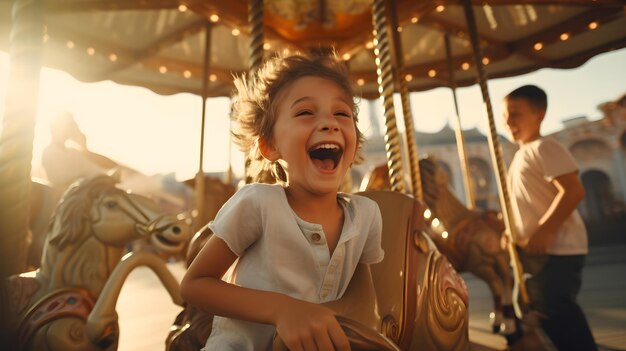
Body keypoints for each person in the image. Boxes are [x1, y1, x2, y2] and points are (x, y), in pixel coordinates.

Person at [180, 53, 384, 351]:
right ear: (270, 145)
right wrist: (282, 309)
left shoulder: (366, 214)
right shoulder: (258, 203)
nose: (329, 123)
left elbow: (366, 299)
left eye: (342, 114)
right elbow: (195, 284)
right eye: (305, 113)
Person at [503, 85, 597, 351]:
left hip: (557, 248)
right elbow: (527, 204)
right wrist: (512, 231)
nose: (508, 122)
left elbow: (573, 190)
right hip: (536, 248)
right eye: (505, 116)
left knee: (556, 310)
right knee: (533, 307)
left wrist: (545, 230)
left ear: (539, 114)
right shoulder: (521, 154)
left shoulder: (545, 147)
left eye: (515, 114)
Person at [41, 111, 118, 196]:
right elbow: (57, 178)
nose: (69, 130)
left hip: (81, 192)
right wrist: (83, 176)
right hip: (66, 196)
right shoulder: (49, 151)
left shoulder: (73, 151)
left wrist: (84, 147)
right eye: (68, 126)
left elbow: (92, 169)